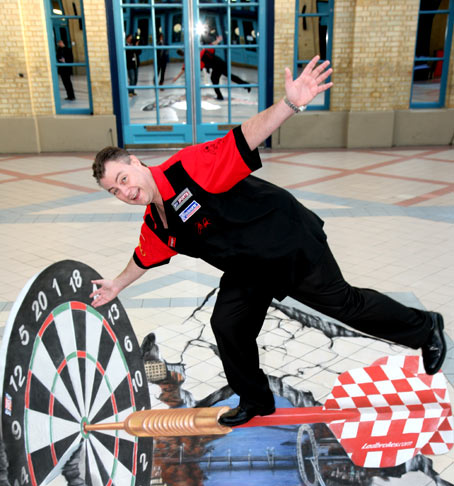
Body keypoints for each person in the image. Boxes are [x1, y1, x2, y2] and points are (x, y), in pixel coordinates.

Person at [90, 56, 446, 427]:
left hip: (287, 242)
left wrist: (290, 104)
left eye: (123, 178)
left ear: (134, 161)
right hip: (249, 267)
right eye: (115, 190)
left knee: (345, 305)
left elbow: (244, 137)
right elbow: (144, 257)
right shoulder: (157, 222)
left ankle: (425, 328)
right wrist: (116, 284)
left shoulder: (188, 168)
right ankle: (256, 399)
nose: (125, 192)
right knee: (228, 324)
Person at [172, 36, 250, 100]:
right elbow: (211, 45)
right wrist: (217, 41)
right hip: (218, 65)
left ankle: (222, 95)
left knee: (222, 78)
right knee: (219, 78)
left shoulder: (199, 55)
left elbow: (186, 69)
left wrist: (177, 77)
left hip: (219, 65)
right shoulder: (200, 52)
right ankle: (244, 86)